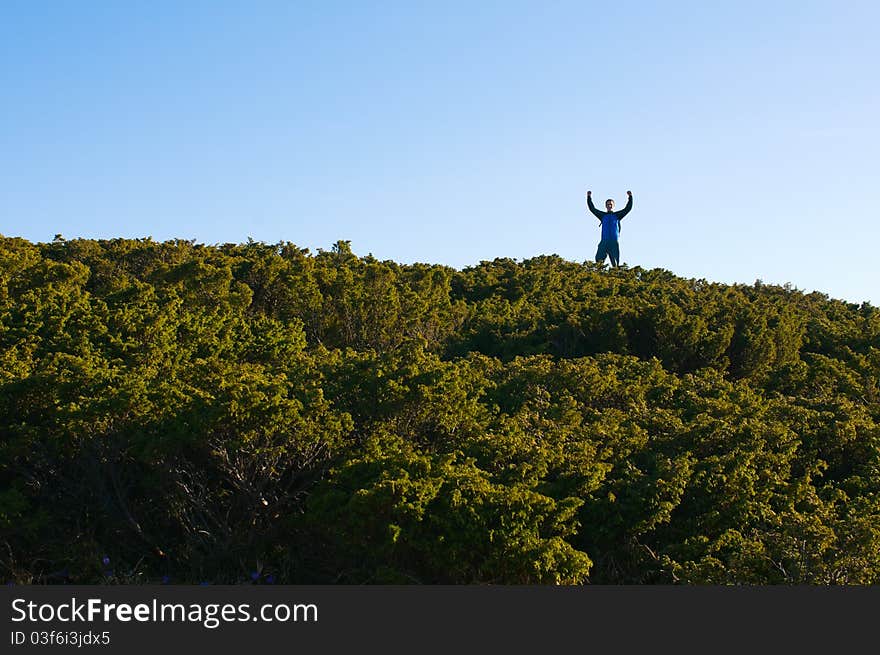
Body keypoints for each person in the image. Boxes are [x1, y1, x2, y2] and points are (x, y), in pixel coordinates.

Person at [586, 190, 633, 268]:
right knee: (599, 260)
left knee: (615, 262)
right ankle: (599, 272)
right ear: (606, 206)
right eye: (608, 204)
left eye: (611, 204)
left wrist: (630, 197)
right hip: (604, 241)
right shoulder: (602, 215)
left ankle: (616, 273)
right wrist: (589, 197)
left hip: (614, 241)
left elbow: (628, 208)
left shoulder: (617, 215)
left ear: (613, 206)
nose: (609, 206)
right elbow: (592, 209)